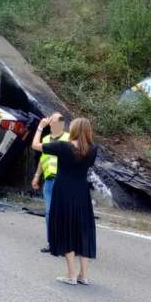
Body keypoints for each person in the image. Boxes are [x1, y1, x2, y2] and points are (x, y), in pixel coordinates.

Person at [32, 116, 98, 286]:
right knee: (82, 230)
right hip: (82, 193)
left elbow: (35, 146)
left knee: (66, 229)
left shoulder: (63, 147)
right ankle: (84, 275)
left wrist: (40, 128)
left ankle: (71, 275)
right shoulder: (93, 150)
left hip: (63, 192)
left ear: (74, 130)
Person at [31, 112, 69, 253]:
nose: (52, 122)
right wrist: (37, 175)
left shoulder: (68, 138)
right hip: (49, 181)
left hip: (64, 181)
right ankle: (51, 242)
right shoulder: (46, 139)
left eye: (56, 120)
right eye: (53, 120)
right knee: (49, 212)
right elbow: (43, 158)